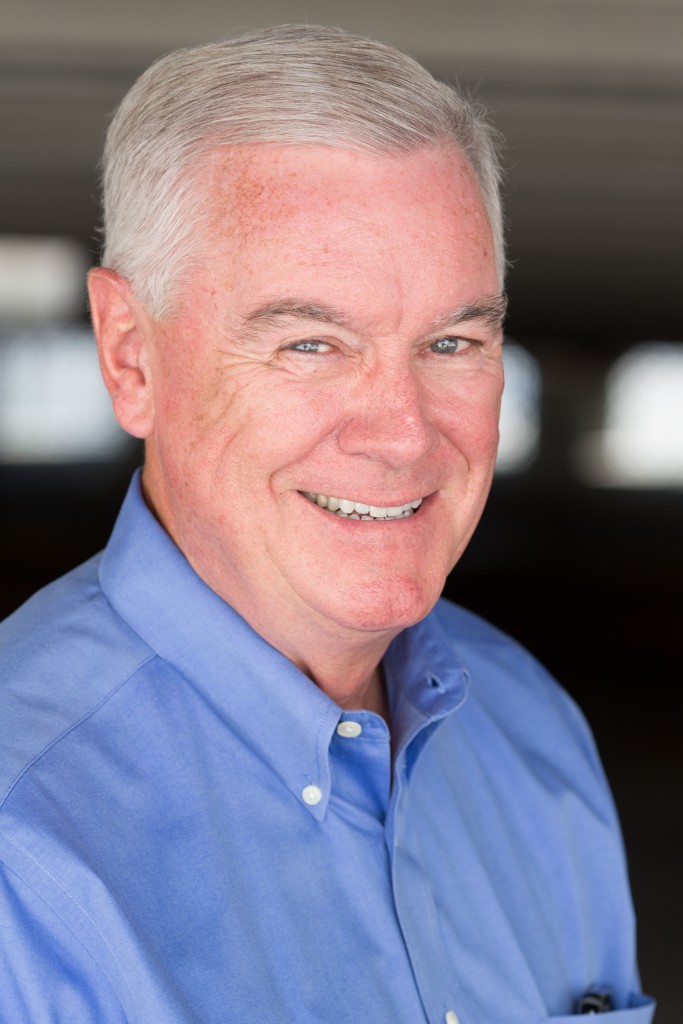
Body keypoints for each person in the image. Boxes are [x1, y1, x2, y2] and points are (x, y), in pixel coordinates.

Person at [0, 24, 654, 1024]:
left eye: (448, 341)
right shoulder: (21, 842)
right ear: (132, 357)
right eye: (309, 342)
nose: (401, 434)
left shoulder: (529, 730)